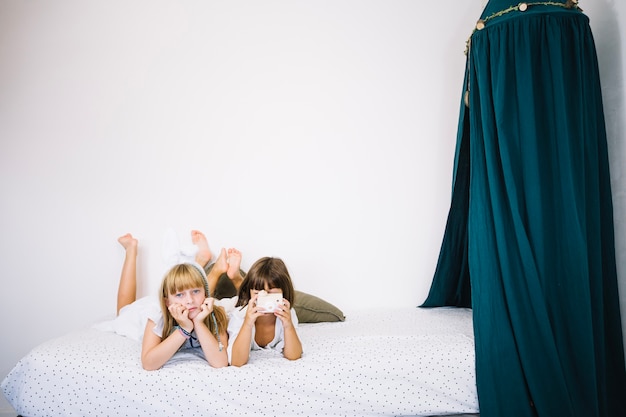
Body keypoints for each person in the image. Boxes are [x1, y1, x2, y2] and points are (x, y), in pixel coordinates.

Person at [116, 231, 244, 370]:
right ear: (167, 302)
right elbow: (148, 364)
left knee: (191, 286)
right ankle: (131, 249)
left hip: (198, 304)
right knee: (123, 311)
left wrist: (198, 323)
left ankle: (201, 261)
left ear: (207, 295)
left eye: (195, 292)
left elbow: (220, 363)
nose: (189, 300)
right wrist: (184, 329)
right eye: (180, 295)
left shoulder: (216, 315)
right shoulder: (157, 316)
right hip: (140, 314)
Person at [228, 257, 303, 366]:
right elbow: (237, 362)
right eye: (258, 292)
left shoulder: (288, 313)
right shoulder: (239, 315)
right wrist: (247, 324)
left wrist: (288, 326)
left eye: (271, 294)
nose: (265, 299)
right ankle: (235, 277)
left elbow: (294, 355)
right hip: (230, 306)